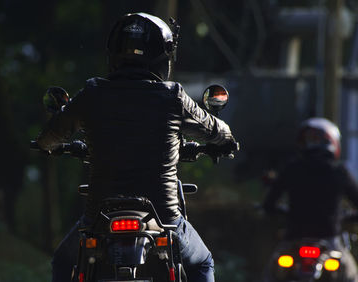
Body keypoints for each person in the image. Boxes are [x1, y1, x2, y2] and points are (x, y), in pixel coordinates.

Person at [36, 12, 236, 282]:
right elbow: (213, 128)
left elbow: (51, 135)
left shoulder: (93, 93)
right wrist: (227, 141)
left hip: (100, 216)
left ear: (114, 53)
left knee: (62, 262)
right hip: (163, 217)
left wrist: (47, 145)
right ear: (163, 54)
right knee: (203, 263)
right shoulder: (172, 96)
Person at [262, 118, 358, 282]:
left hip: (294, 237)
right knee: (351, 276)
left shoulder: (292, 168)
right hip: (330, 238)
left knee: (270, 275)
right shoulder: (339, 171)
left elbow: (269, 203)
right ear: (332, 141)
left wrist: (270, 209)